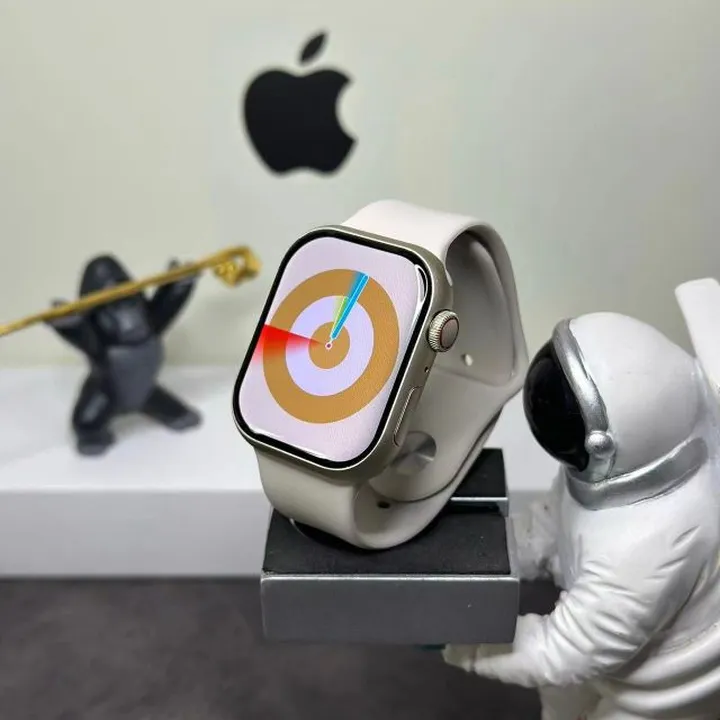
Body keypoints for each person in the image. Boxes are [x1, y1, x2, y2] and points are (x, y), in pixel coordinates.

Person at [443, 311, 720, 720]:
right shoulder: (625, 458)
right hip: (616, 631)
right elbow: (549, 526)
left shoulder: (651, 542)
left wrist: (461, 641)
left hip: (664, 687)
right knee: (562, 697)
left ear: (602, 442)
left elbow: (563, 650)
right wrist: (475, 557)